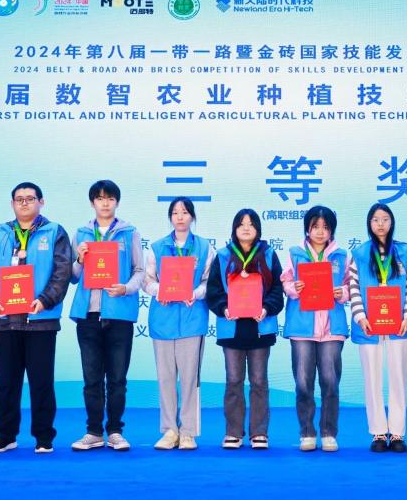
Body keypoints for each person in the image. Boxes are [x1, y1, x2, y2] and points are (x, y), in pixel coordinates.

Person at [0, 182, 72, 454]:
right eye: (19, 199)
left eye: (30, 198)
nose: (25, 203)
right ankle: (5, 436)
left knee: (41, 382)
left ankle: (43, 437)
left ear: (41, 202)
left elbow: (62, 271)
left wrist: (45, 300)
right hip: (4, 319)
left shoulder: (55, 232)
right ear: (12, 204)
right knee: (6, 382)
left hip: (41, 320)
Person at [67, 180, 144, 452]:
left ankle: (115, 431)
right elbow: (72, 277)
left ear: (116, 202)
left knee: (117, 379)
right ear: (92, 202)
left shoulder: (129, 233)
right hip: (88, 315)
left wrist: (126, 288)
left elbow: (139, 271)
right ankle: (93, 432)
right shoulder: (81, 233)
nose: (105, 203)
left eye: (110, 198)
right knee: (91, 379)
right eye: (100, 198)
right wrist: (79, 259)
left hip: (119, 314)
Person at [205, 209, 284, 450]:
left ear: (258, 229)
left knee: (259, 381)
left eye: (251, 224)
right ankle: (233, 432)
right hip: (232, 328)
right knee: (233, 381)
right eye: (241, 224)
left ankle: (259, 432)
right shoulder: (222, 256)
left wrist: (266, 308)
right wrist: (224, 308)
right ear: (234, 229)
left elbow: (277, 290)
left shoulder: (268, 255)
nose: (246, 228)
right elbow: (213, 291)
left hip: (261, 328)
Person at [142, 197, 213, 451]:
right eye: (175, 212)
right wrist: (159, 291)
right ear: (170, 217)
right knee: (166, 378)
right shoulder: (157, 247)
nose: (180, 217)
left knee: (190, 379)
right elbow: (147, 280)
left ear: (192, 216)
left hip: (192, 320)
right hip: (163, 319)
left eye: (184, 212)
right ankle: (170, 430)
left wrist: (196, 293)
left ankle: (188, 432)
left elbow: (209, 281)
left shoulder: (204, 247)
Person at [349, 203, 407, 453]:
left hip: (399, 325)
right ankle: (378, 431)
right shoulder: (359, 253)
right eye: (375, 219)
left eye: (385, 219)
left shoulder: (404, 251)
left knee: (399, 377)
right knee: (372, 379)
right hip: (368, 326)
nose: (380, 224)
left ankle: (397, 432)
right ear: (369, 223)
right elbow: (353, 288)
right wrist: (360, 317)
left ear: (392, 222)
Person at [281, 205, 349, 452]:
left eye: (326, 227)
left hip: (332, 327)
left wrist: (343, 293)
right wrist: (294, 288)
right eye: (315, 226)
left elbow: (351, 285)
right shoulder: (295, 253)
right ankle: (307, 433)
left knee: (330, 381)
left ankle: (329, 433)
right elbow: (285, 281)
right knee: (303, 382)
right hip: (302, 327)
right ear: (307, 229)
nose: (320, 232)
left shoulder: (341, 256)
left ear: (332, 230)